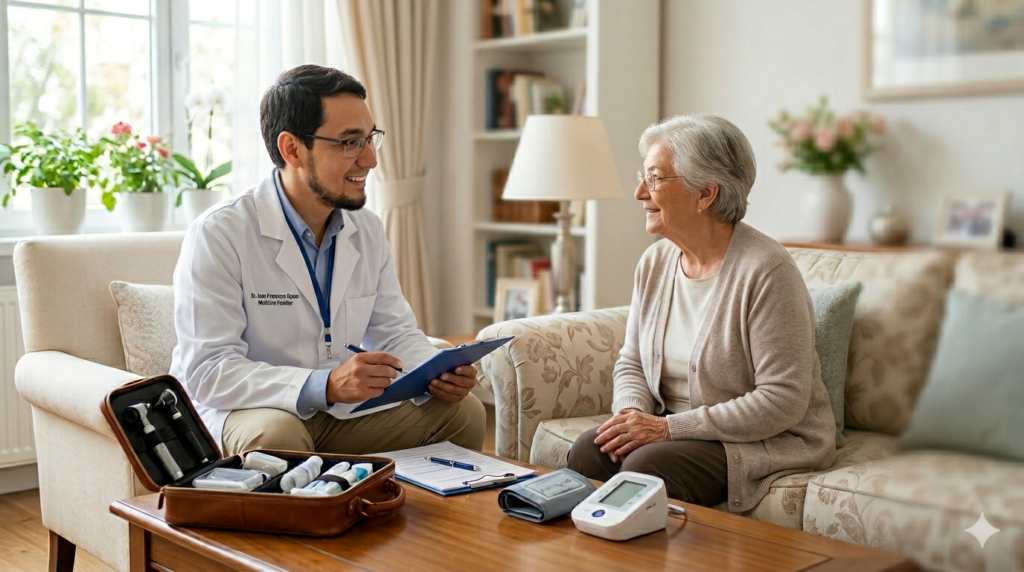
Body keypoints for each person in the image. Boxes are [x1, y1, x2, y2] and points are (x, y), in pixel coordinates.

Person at [169, 64, 485, 456]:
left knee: (464, 413)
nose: (370, 159)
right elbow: (210, 371)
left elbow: (395, 333)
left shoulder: (366, 228)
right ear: (292, 149)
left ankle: (406, 499)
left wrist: (437, 371)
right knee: (277, 438)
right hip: (248, 409)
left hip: (339, 412)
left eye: (369, 139)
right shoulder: (219, 233)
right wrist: (325, 384)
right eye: (350, 142)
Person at [566, 114, 836, 512]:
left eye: (655, 178)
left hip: (756, 438)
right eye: (643, 176)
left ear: (706, 194)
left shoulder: (767, 270)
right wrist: (631, 416)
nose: (640, 192)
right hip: (672, 428)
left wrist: (666, 429)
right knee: (589, 452)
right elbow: (633, 362)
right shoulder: (655, 262)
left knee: (645, 469)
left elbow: (782, 400)